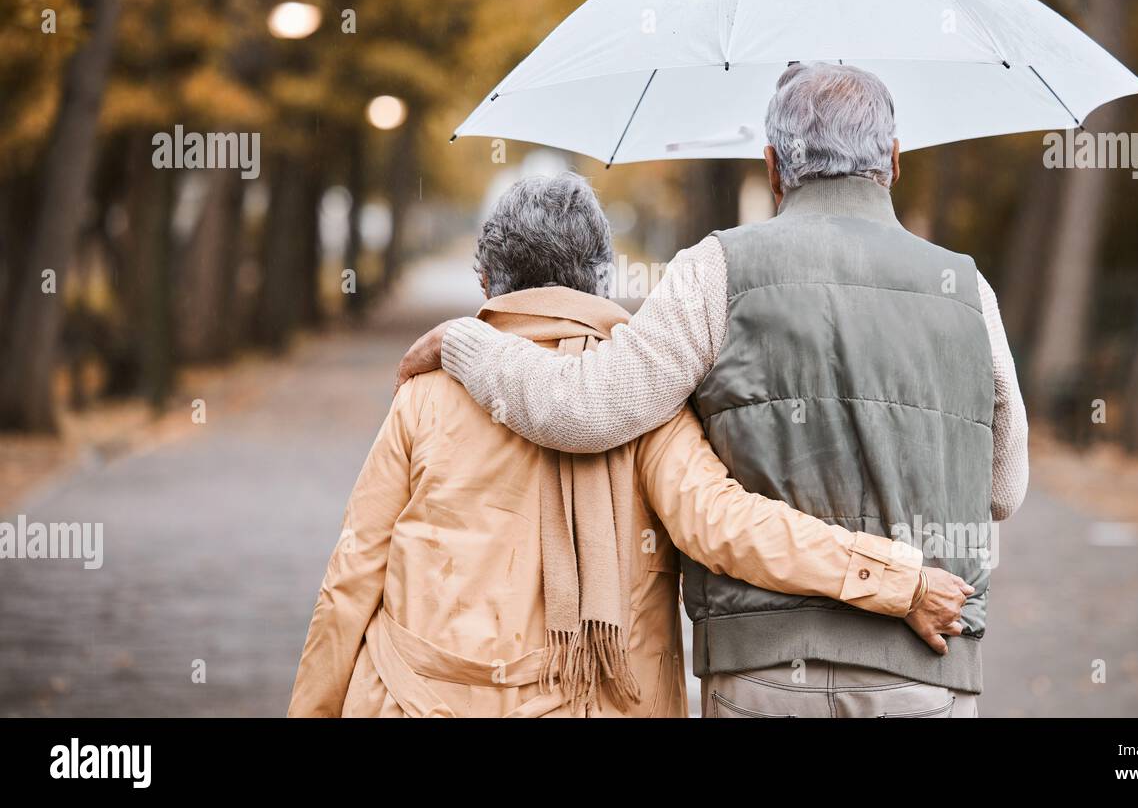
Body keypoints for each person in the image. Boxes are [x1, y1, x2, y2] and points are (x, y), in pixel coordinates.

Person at [394, 63, 1030, 717]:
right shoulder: (968, 290)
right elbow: (1004, 489)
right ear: (894, 161)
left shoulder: (715, 272)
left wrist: (468, 344)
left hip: (765, 668)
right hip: (924, 663)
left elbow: (584, 410)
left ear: (774, 166)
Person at [289, 170, 971, 718]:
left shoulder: (427, 394)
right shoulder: (646, 403)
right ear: (602, 278)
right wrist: (893, 577)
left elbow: (349, 583)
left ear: (485, 281)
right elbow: (729, 525)